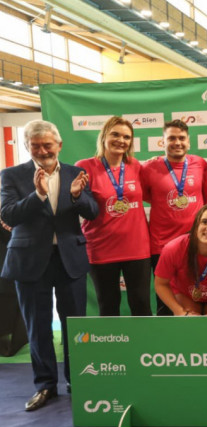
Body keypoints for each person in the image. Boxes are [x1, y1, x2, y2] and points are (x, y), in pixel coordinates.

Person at [0, 120, 98, 411]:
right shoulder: (11, 175)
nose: (42, 150)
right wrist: (39, 195)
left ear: (59, 145)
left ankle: (76, 380)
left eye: (48, 145)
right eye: (36, 145)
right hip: (30, 261)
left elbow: (93, 212)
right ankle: (45, 386)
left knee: (75, 326)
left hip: (69, 259)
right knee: (37, 327)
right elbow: (9, 215)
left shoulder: (75, 173)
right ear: (27, 146)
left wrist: (79, 196)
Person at [75, 116, 151, 316]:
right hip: (101, 247)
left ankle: (143, 346)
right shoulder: (85, 166)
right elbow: (81, 206)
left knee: (141, 304)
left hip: (137, 247)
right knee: (108, 305)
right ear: (104, 137)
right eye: (115, 134)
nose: (121, 140)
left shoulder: (136, 166)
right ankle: (112, 346)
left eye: (127, 137)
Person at [141, 119, 207, 315]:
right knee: (165, 301)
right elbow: (143, 195)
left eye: (181, 138)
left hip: (194, 244)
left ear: (189, 142)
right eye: (171, 138)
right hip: (161, 245)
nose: (177, 142)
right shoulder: (148, 168)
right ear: (162, 142)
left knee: (195, 297)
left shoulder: (199, 163)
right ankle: (165, 343)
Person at [154, 204, 207, 316]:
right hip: (186, 295)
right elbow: (160, 284)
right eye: (205, 222)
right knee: (191, 324)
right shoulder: (173, 248)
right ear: (196, 225)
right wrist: (180, 312)